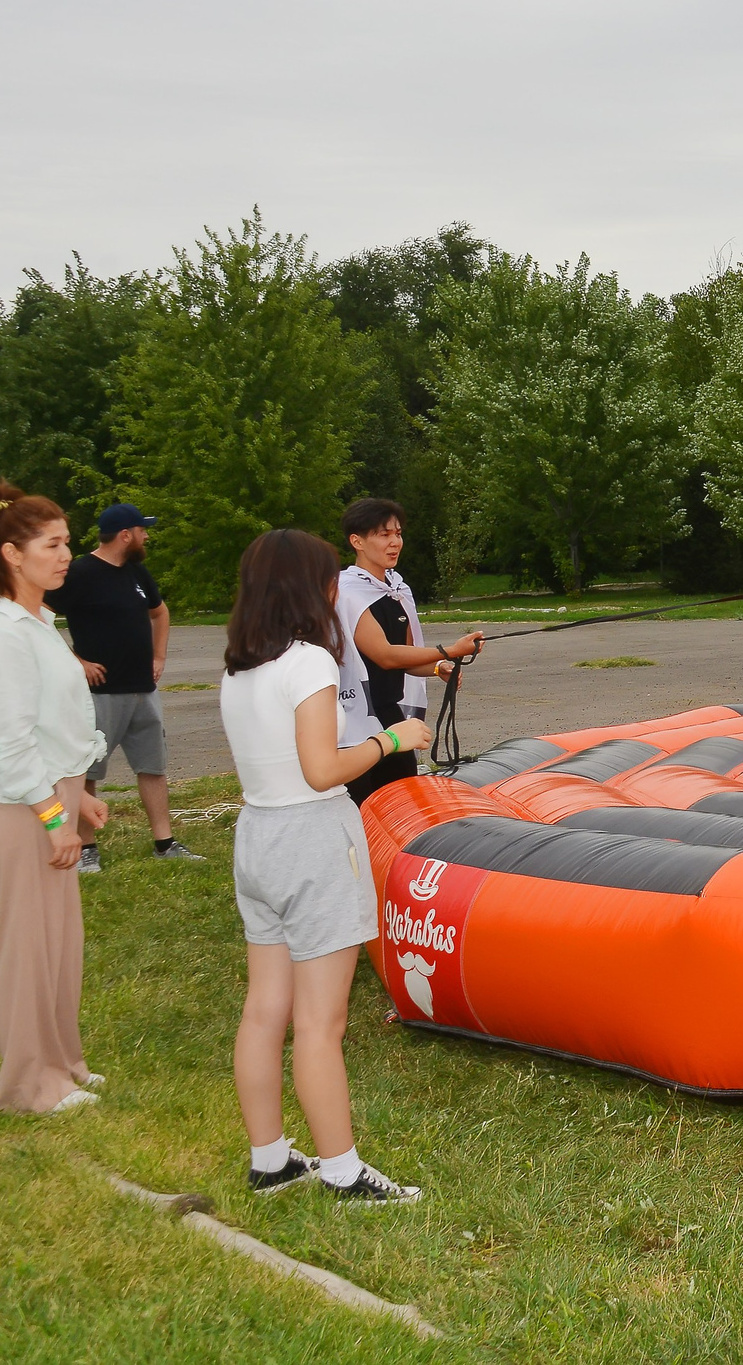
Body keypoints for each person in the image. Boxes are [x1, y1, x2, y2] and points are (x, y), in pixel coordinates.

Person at [223, 528, 428, 1202]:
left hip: (257, 836)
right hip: (311, 839)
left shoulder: (240, 665)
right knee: (320, 1022)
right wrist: (392, 737)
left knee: (264, 1009)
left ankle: (270, 1159)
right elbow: (321, 769)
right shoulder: (309, 660)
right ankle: (343, 1171)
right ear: (311, 588)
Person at [0, 481, 109, 1113]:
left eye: (67, 542)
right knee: (28, 950)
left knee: (58, 944)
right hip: (19, 812)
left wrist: (79, 802)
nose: (66, 553)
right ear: (12, 554)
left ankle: (62, 1062)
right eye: (52, 544)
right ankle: (29, 1085)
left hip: (49, 801)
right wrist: (54, 819)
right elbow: (11, 746)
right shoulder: (2, 636)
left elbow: (54, 727)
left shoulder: (40, 622)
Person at [46, 502, 194, 867]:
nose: (146, 536)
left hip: (142, 689)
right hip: (99, 694)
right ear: (125, 535)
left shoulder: (136, 571)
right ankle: (86, 849)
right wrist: (75, 662)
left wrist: (159, 657)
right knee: (88, 770)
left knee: (152, 765)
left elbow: (159, 612)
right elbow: (40, 618)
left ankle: (165, 843)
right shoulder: (80, 572)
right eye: (142, 530)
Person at [334, 498, 479, 804]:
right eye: (384, 535)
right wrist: (449, 651)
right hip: (355, 721)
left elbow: (408, 656)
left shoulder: (398, 588)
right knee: (362, 810)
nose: (394, 542)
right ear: (357, 541)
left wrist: (439, 668)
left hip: (390, 713)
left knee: (403, 804)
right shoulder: (346, 591)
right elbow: (385, 655)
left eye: (398, 534)